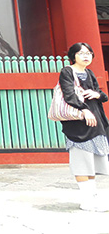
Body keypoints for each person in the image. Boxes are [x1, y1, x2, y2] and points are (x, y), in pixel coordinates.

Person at [58, 42, 109, 212]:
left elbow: (102, 95)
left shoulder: (89, 72)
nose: (86, 56)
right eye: (81, 53)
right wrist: (85, 111)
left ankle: (92, 198)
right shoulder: (67, 71)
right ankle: (86, 201)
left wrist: (97, 94)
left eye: (88, 53)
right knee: (81, 162)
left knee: (92, 162)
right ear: (73, 56)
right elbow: (69, 95)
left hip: (95, 121)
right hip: (78, 122)